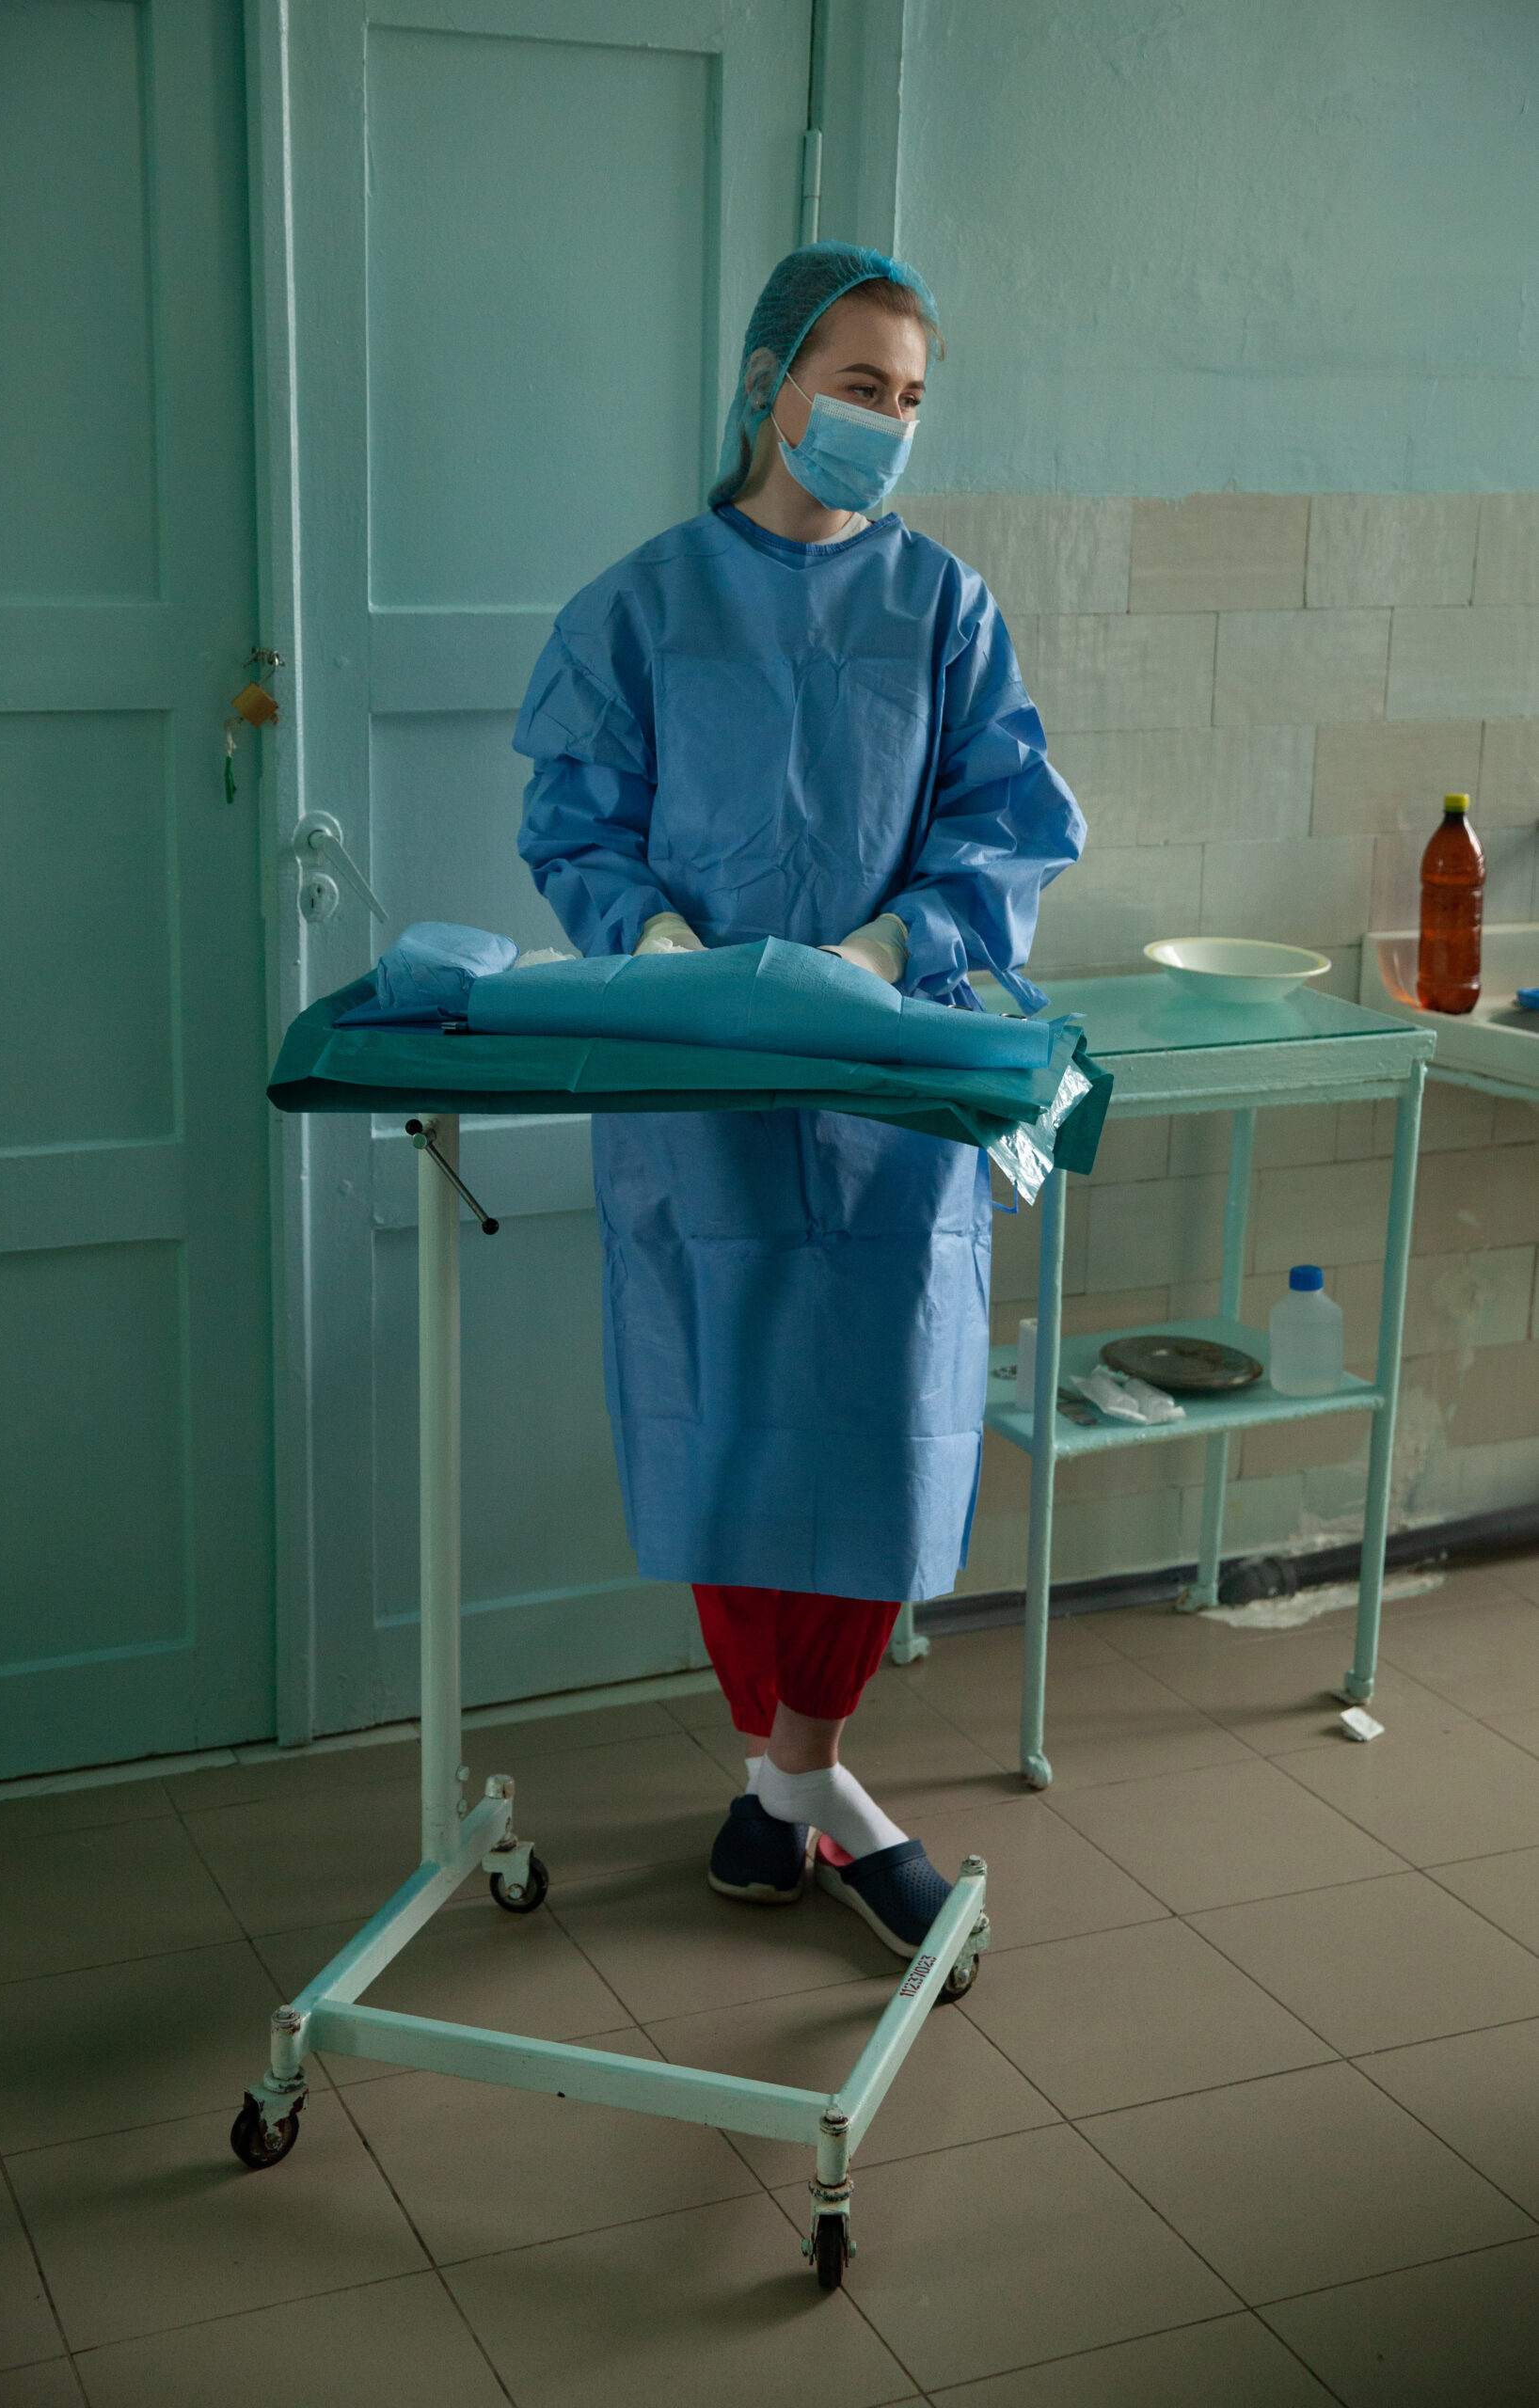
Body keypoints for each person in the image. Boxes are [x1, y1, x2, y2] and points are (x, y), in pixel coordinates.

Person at [516, 243, 1084, 1961]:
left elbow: (1007, 822)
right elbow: (578, 823)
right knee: (726, 1421)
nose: (885, 423)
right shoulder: (641, 607)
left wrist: (888, 945)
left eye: (908, 399)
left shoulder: (943, 611)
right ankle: (804, 1789)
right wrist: (661, 944)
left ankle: (795, 1779)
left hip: (885, 1086)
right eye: (857, 387)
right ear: (770, 384)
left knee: (876, 1428)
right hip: (700, 1087)